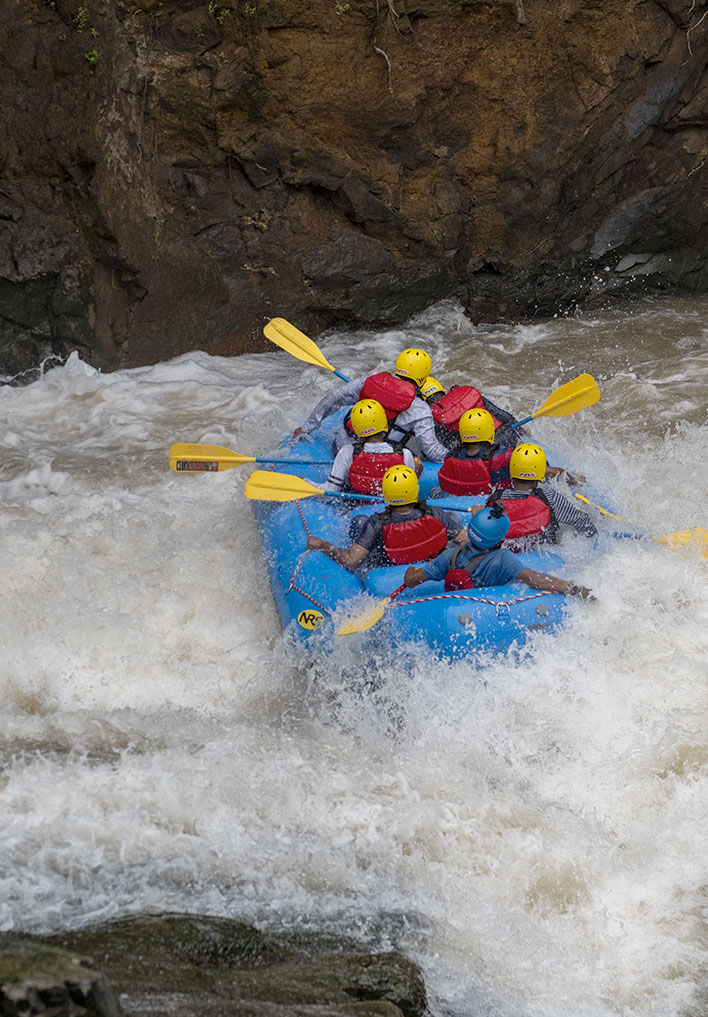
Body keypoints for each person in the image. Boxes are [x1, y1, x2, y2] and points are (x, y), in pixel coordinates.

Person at [403, 501, 594, 599]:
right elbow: (534, 579)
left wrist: (411, 573)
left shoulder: (450, 556)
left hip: (462, 601)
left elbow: (412, 581)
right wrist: (574, 588)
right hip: (490, 603)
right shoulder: (503, 558)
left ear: (470, 531)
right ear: (500, 541)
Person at [293, 349, 450, 461]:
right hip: (376, 462)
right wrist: (454, 455)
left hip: (342, 447)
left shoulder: (370, 382)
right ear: (423, 379)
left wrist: (306, 427)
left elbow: (334, 396)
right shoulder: (420, 410)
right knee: (413, 457)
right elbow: (432, 451)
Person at [306, 464, 467, 570]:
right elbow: (466, 540)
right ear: (415, 489)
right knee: (452, 518)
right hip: (431, 563)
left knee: (359, 523)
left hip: (391, 569)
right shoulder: (436, 513)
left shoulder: (376, 523)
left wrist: (323, 545)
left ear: (386, 493)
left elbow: (351, 561)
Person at [436, 409, 583, 497]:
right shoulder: (505, 456)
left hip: (465, 505)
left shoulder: (450, 457)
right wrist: (572, 479)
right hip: (502, 502)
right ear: (489, 431)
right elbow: (545, 472)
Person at [485, 442, 597, 547]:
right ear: (541, 474)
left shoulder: (495, 498)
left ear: (512, 471)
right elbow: (583, 522)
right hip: (545, 553)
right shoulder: (549, 496)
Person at [323, 398, 418, 495]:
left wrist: (307, 482)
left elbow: (330, 491)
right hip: (390, 508)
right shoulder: (405, 454)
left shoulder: (347, 452)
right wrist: (416, 475)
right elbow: (409, 491)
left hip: (356, 507)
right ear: (383, 421)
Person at [420, 376, 522, 450]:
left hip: (482, 451)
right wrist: (522, 432)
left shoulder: (433, 418)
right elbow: (505, 416)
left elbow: (443, 447)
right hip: (507, 436)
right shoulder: (465, 395)